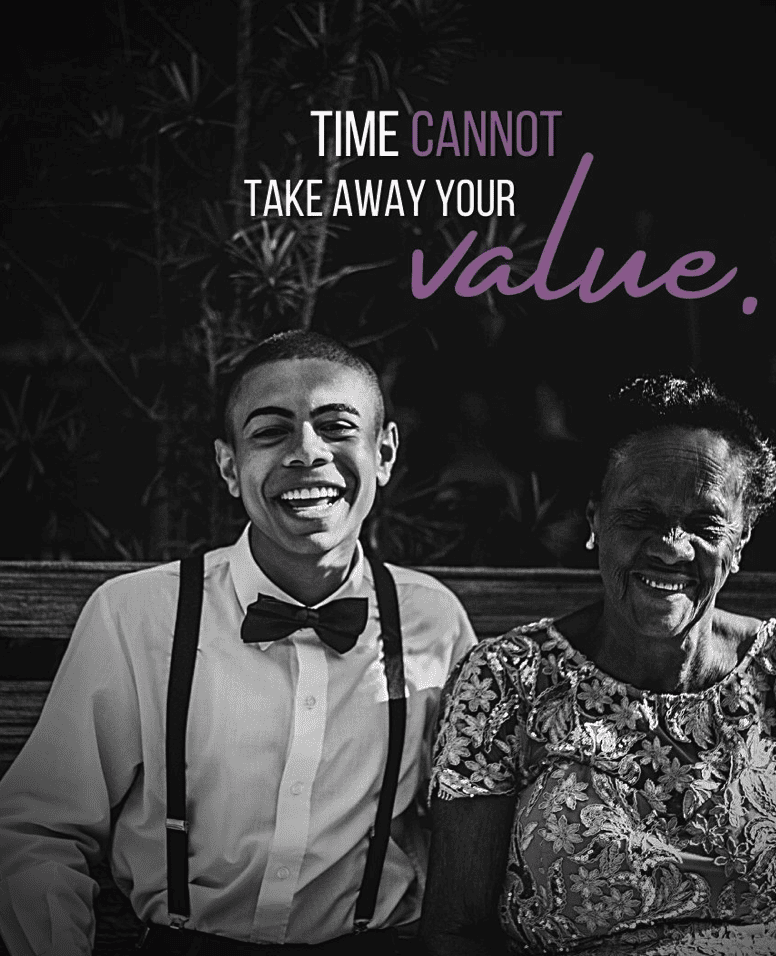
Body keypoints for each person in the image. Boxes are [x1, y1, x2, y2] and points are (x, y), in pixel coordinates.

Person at [0, 331, 477, 955]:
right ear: (229, 466)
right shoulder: (137, 615)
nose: (308, 452)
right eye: (271, 431)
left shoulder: (433, 621)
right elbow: (39, 829)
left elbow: (467, 830)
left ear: (384, 453)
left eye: (336, 426)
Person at [422, 374, 776, 956]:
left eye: (705, 525)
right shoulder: (505, 680)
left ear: (740, 540)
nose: (671, 545)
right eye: (640, 518)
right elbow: (453, 930)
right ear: (594, 520)